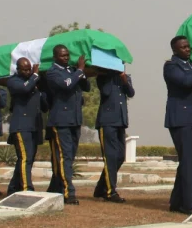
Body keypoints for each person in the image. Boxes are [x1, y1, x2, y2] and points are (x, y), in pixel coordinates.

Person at [163, 37, 192, 215]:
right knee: (189, 162)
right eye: (183, 47)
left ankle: (177, 201)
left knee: (187, 161)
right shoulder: (171, 66)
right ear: (175, 50)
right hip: (181, 119)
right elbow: (185, 81)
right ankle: (190, 204)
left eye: (188, 46)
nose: (187, 49)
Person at [43, 46, 90, 204]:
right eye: (63, 56)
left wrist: (80, 72)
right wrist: (80, 70)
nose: (66, 58)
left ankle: (55, 188)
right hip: (61, 121)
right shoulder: (52, 72)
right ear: (55, 57)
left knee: (68, 157)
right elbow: (67, 85)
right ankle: (67, 192)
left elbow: (87, 87)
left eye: (68, 55)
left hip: (74, 120)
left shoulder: (72, 70)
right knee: (64, 157)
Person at [5, 58, 45, 194]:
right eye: (25, 69)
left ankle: (13, 187)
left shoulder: (35, 83)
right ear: (18, 69)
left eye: (29, 69)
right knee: (25, 158)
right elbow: (25, 88)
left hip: (34, 126)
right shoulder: (13, 81)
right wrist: (35, 75)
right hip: (21, 127)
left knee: (28, 159)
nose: (28, 72)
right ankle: (26, 188)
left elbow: (44, 104)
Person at [93, 69, 134, 203]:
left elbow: (131, 93)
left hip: (121, 121)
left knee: (120, 156)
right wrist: (109, 75)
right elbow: (105, 92)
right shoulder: (103, 77)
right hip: (107, 121)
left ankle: (100, 187)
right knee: (110, 157)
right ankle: (110, 192)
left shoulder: (125, 77)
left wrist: (123, 78)